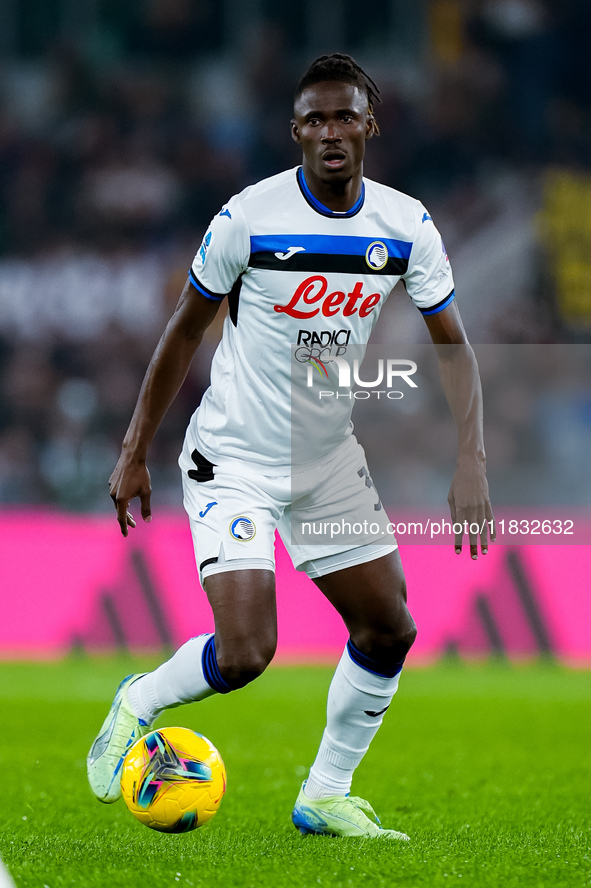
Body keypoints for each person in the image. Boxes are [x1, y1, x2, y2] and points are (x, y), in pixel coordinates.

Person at [87, 53, 494, 840]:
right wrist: (135, 447)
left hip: (327, 463)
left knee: (389, 630)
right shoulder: (250, 216)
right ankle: (138, 700)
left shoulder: (405, 226)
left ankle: (323, 795)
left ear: (369, 125)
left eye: (345, 116)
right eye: (315, 119)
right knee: (245, 655)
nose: (331, 132)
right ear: (295, 132)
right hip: (233, 460)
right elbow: (183, 331)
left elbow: (452, 347)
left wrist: (470, 456)